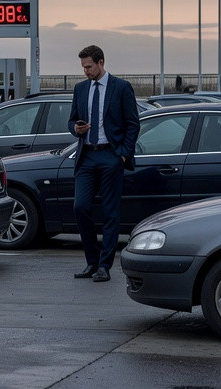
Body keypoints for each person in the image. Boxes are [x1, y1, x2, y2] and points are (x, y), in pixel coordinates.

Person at [67, 45, 140, 283]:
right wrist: (76, 129)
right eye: (83, 67)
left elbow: (133, 124)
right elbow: (71, 121)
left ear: (101, 63)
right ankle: (92, 260)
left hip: (111, 156)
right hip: (86, 155)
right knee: (80, 207)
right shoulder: (80, 89)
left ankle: (104, 266)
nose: (86, 71)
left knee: (110, 212)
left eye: (89, 66)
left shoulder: (121, 87)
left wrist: (122, 154)